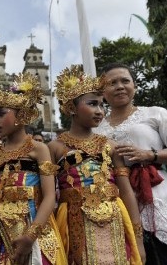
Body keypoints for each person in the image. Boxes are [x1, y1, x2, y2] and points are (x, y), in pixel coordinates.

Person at [48, 65, 145, 264]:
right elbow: (48, 195)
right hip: (73, 221)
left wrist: (137, 239)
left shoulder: (110, 146)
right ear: (72, 108)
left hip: (114, 219)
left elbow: (125, 192)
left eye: (102, 105)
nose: (100, 111)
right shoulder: (55, 148)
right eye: (93, 104)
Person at [0, 73, 67, 265]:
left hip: (35, 232)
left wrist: (31, 235)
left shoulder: (38, 149)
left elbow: (49, 196)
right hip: (2, 233)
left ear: (21, 115)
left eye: (1, 114)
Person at [94, 62, 166, 264]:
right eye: (112, 83)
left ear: (134, 85)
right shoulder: (95, 128)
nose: (119, 86)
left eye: (125, 81)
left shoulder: (155, 113)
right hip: (116, 202)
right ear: (103, 91)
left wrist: (150, 155)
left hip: (158, 194)